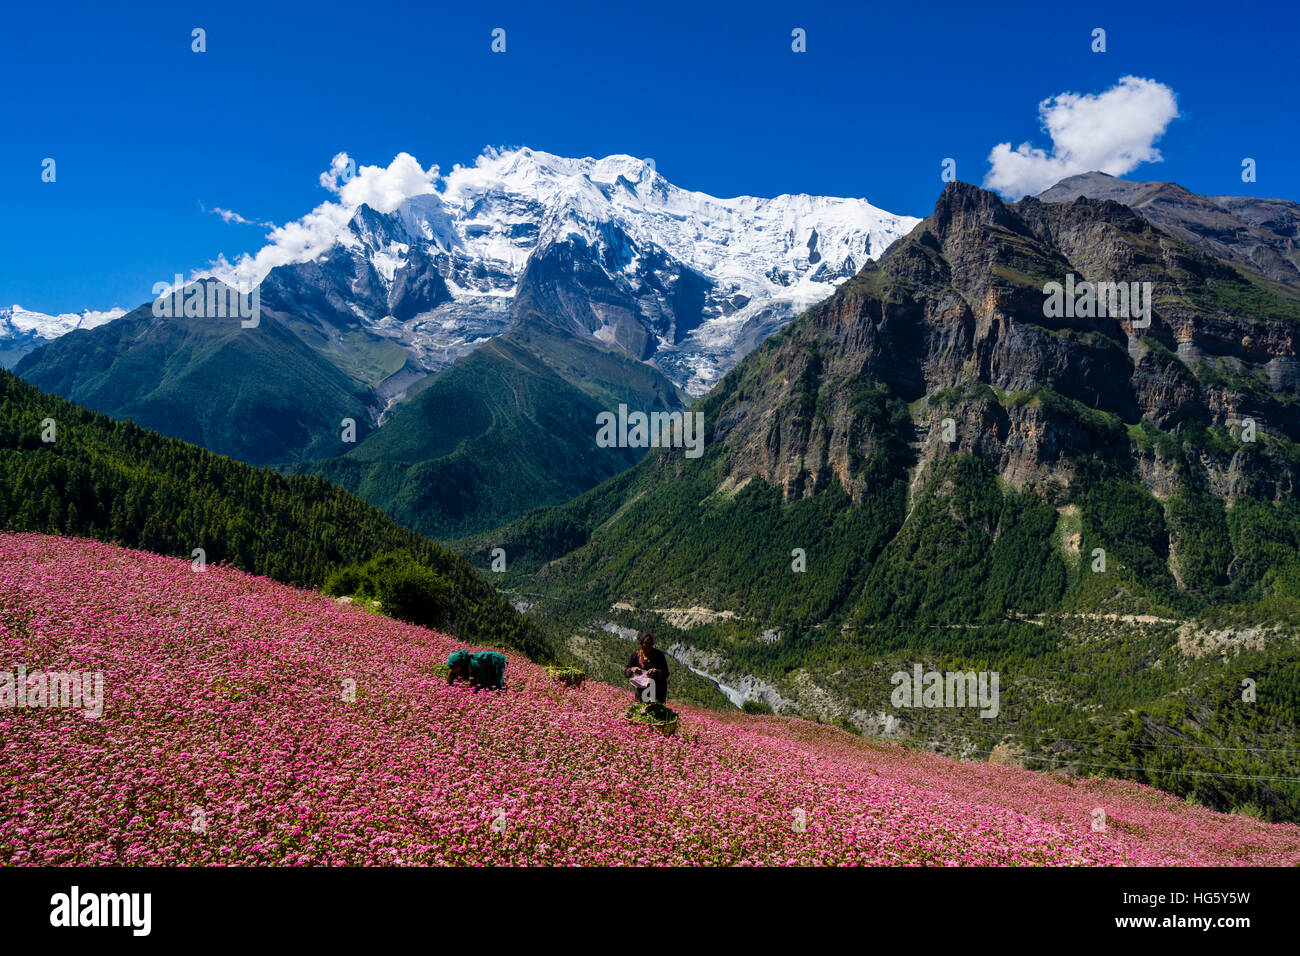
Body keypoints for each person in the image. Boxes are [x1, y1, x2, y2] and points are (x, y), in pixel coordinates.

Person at [624, 631, 669, 703]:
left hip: (657, 691)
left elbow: (666, 673)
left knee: (655, 711)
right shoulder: (636, 655)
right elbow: (626, 672)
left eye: (651, 643)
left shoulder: (659, 655)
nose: (649, 645)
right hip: (642, 691)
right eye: (646, 643)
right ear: (641, 644)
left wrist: (656, 672)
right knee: (641, 710)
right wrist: (633, 669)